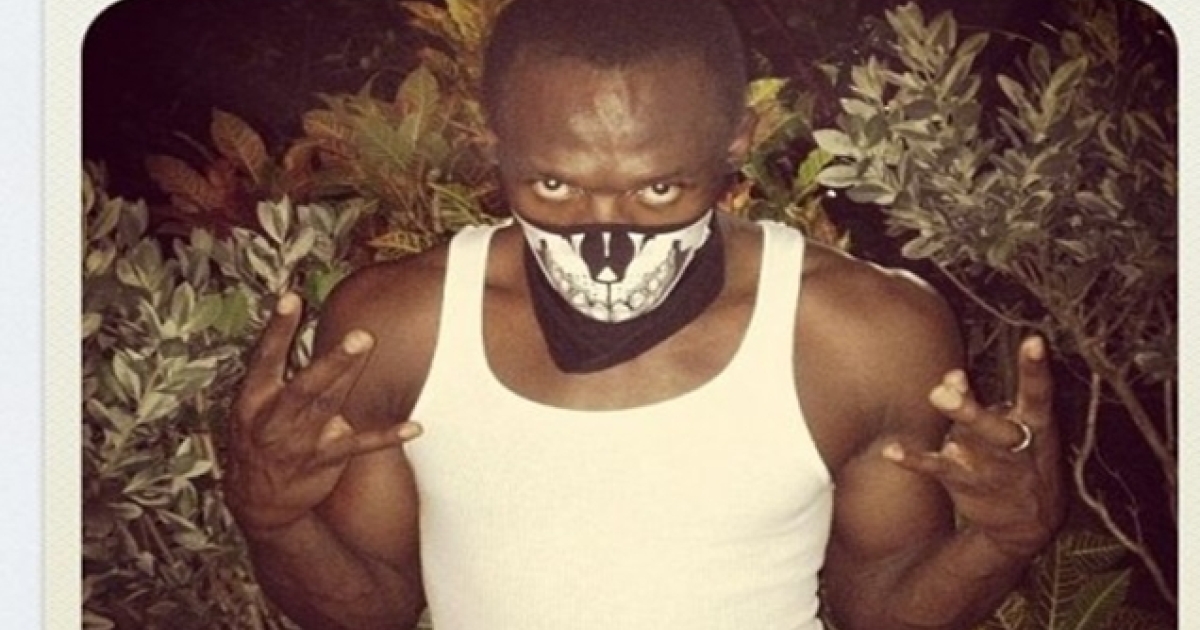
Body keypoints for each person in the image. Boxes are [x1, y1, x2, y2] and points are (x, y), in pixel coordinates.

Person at [223, 0, 1064, 627]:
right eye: (554, 183)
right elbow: (369, 611)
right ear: (493, 142)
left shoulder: (860, 333)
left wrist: (1002, 540)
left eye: (659, 188)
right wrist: (273, 518)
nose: (602, 230)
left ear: (736, 142)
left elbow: (878, 607)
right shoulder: (401, 324)